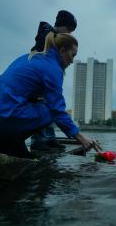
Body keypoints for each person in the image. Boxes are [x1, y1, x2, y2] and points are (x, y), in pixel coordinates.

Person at [0, 32, 102, 158]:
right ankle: (29, 143)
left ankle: (11, 146)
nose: (72, 61)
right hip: (2, 114)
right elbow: (57, 110)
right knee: (50, 108)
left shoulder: (30, 56)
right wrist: (81, 138)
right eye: (72, 55)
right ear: (62, 50)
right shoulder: (53, 69)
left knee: (41, 102)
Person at [30, 10, 77, 151]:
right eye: (69, 30)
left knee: (50, 105)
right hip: (39, 84)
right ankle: (39, 141)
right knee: (47, 106)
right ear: (61, 25)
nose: (69, 34)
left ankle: (49, 139)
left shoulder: (52, 36)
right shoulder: (47, 36)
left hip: (45, 80)